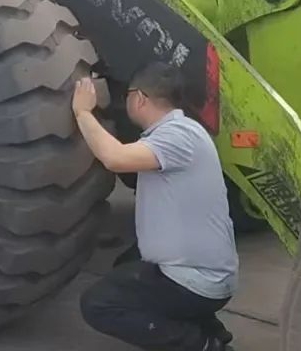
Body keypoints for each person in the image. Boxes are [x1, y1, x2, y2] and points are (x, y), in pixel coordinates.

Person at [72, 62, 238, 351]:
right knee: (127, 265)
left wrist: (82, 112)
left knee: (98, 304)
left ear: (139, 98)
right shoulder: (183, 131)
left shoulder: (178, 136)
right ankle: (209, 328)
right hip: (202, 270)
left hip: (200, 280)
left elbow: (115, 158)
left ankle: (201, 344)